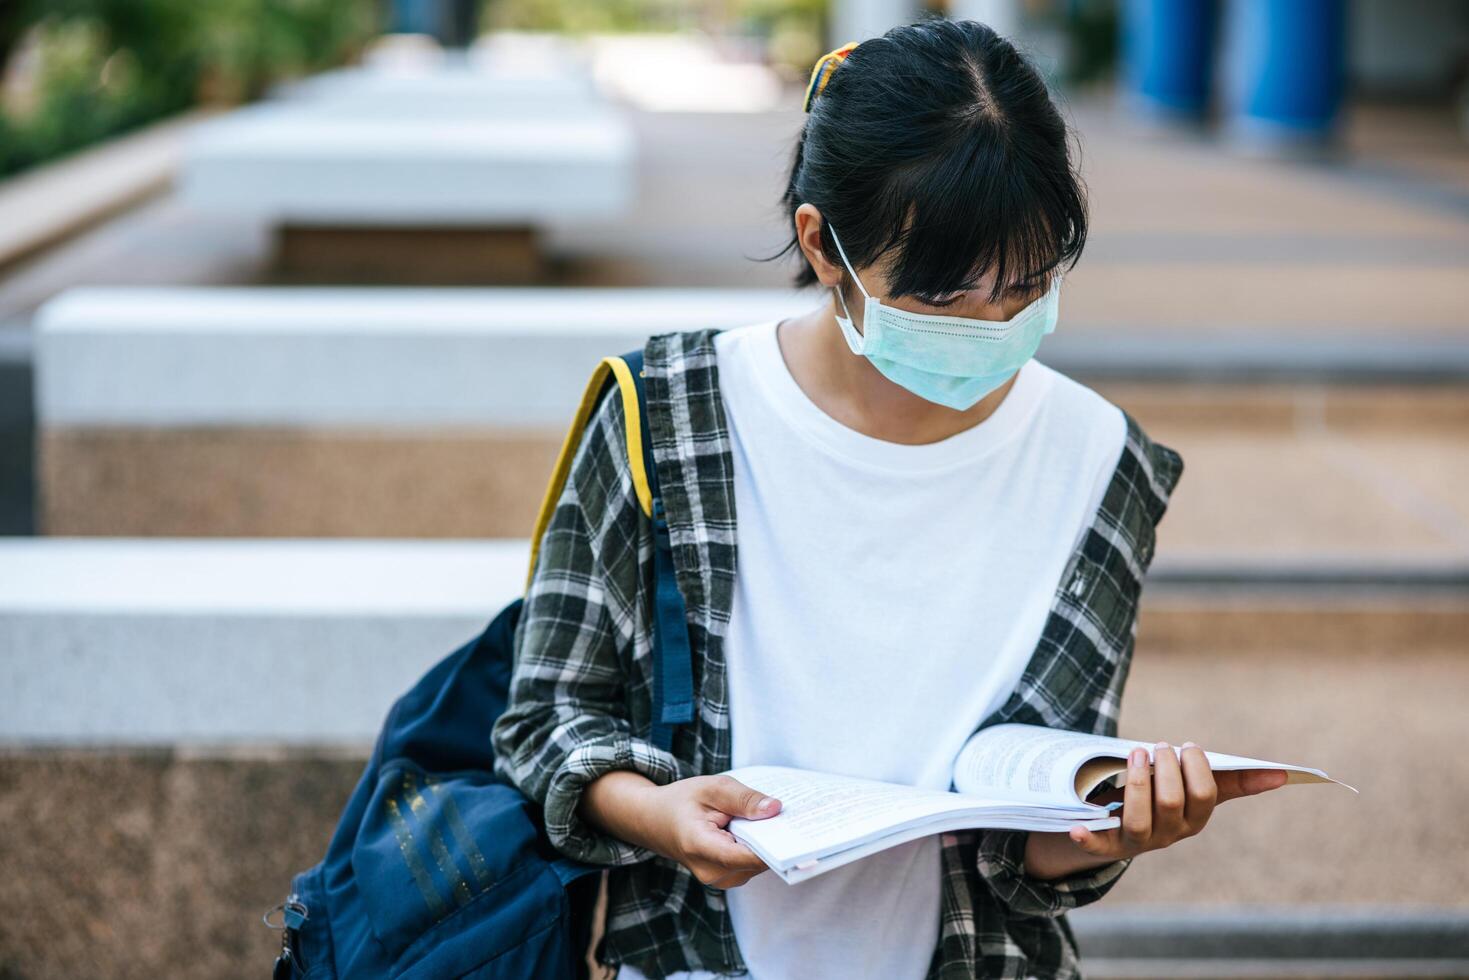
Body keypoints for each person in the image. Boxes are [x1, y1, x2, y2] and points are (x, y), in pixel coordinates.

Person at [491, 17, 1287, 980]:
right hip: (692, 955)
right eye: (944, 299)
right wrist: (653, 812)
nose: (992, 328)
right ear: (821, 245)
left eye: (1026, 285)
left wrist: (1109, 830)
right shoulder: (665, 416)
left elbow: (1028, 837)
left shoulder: (1099, 459)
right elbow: (544, 720)